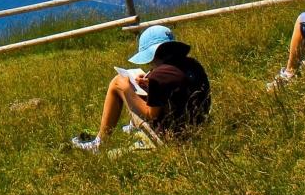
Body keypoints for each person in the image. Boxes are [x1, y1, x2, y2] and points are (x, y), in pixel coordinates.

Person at [71, 25, 210, 152]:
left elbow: (151, 114)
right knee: (129, 84)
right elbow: (176, 93)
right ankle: (131, 126)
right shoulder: (192, 65)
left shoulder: (159, 75)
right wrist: (151, 85)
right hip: (196, 131)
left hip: (170, 139)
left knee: (117, 82)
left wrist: (126, 89)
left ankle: (99, 144)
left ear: (153, 55)